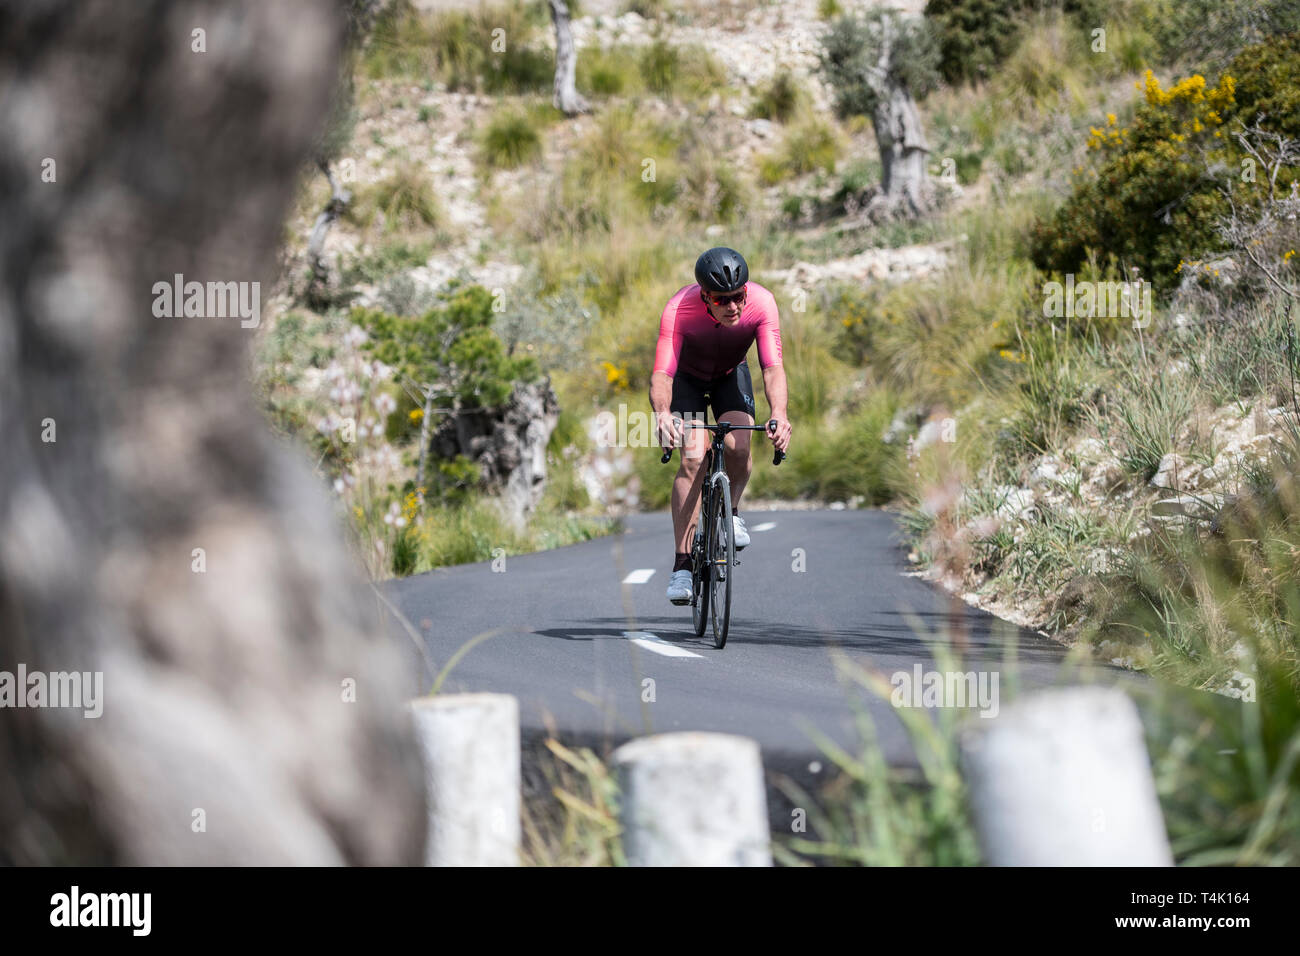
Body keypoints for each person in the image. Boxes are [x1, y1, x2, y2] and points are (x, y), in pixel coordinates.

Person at [649, 247, 793, 605]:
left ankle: (733, 511)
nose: (733, 307)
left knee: (738, 445)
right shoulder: (679, 308)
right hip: (687, 380)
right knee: (693, 457)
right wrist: (663, 414)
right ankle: (682, 565)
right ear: (705, 297)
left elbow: (772, 368)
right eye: (722, 300)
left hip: (731, 374)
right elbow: (663, 373)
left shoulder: (762, 303)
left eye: (738, 297)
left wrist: (780, 413)